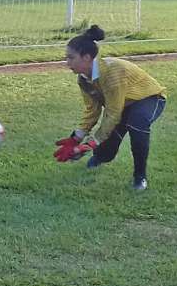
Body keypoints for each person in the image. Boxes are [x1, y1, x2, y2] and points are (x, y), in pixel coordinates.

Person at [54, 25, 166, 191]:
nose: (67, 62)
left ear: (86, 57)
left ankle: (139, 177)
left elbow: (113, 113)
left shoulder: (112, 73)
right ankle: (99, 157)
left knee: (137, 123)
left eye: (71, 58)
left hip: (149, 98)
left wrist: (91, 143)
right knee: (107, 148)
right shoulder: (83, 79)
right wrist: (76, 138)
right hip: (123, 105)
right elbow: (92, 111)